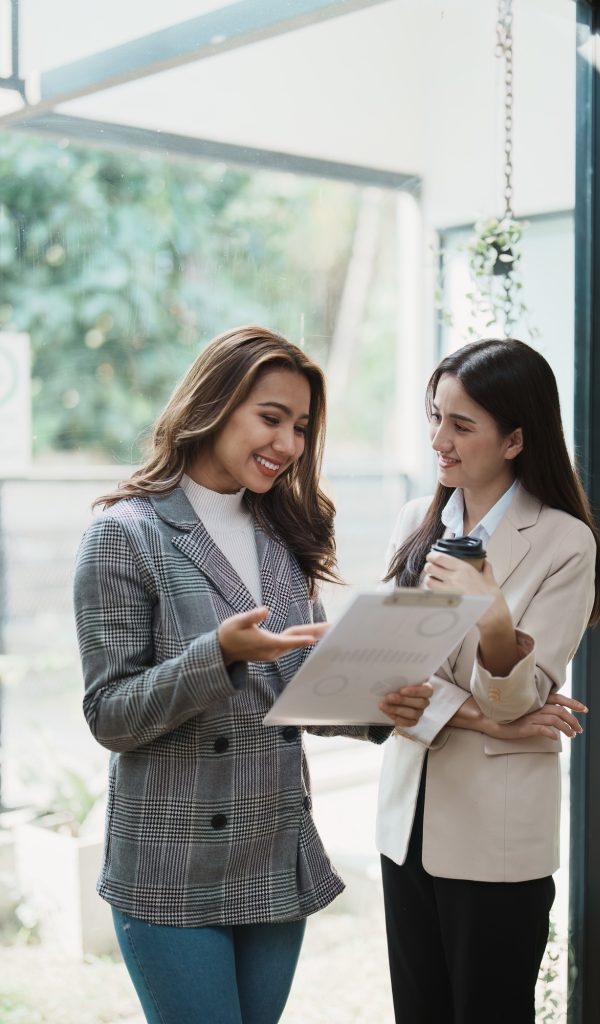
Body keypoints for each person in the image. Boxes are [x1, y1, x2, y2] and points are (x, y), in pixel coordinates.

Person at [73, 325, 431, 1024]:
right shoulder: (125, 532)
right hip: (172, 865)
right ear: (214, 402)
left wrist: (379, 704)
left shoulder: (283, 533)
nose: (289, 444)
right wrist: (220, 655)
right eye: (271, 418)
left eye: (300, 427)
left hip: (272, 852)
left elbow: (292, 690)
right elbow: (109, 715)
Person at [377, 337, 600, 1024]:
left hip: (497, 835)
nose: (438, 440)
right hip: (405, 823)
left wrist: (494, 616)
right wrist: (481, 720)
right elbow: (390, 683)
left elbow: (519, 695)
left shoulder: (565, 542)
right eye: (434, 416)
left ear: (513, 440)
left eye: (460, 424)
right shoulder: (412, 524)